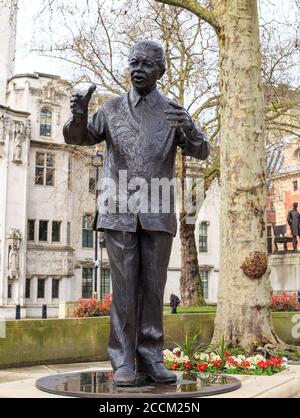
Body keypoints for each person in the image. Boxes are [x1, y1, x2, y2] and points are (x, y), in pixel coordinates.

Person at [63, 40, 210, 386]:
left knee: (154, 289)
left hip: (157, 213)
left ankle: (151, 357)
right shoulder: (111, 109)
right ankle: (123, 362)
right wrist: (80, 113)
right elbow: (79, 138)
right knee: (125, 289)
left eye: (146, 64)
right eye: (134, 63)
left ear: (161, 70)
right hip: (119, 212)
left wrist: (189, 127)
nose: (138, 69)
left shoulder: (174, 112)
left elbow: (202, 150)